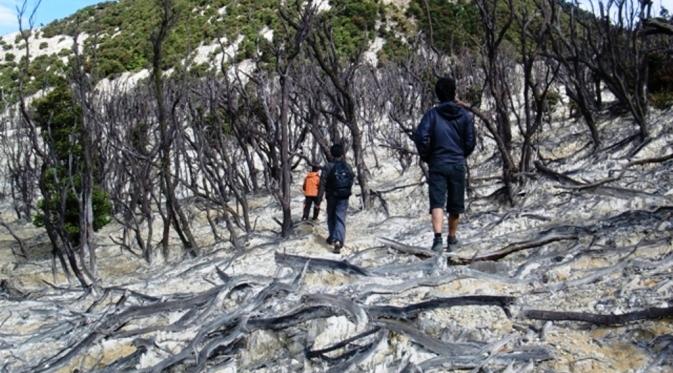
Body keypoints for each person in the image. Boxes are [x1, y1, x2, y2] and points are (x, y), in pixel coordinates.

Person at [414, 76, 476, 252]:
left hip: (437, 163)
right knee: (455, 203)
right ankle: (452, 238)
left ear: (437, 94)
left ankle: (437, 239)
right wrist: (461, 154)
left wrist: (428, 155)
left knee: (437, 202)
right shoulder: (465, 115)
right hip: (457, 162)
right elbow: (470, 142)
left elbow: (421, 136)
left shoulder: (432, 114)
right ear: (454, 92)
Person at [319, 144, 354, 254]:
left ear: (332, 153)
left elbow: (322, 183)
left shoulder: (328, 166)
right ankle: (339, 240)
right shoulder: (347, 166)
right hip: (344, 196)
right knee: (340, 217)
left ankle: (333, 238)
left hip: (331, 196)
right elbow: (352, 178)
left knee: (331, 216)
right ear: (342, 154)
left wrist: (319, 198)